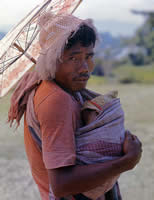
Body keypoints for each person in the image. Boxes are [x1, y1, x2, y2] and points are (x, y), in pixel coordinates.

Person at [8, 12, 142, 200]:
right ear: (52, 59)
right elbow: (62, 184)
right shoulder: (56, 100)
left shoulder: (53, 89)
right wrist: (126, 162)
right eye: (73, 58)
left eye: (88, 56)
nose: (85, 68)